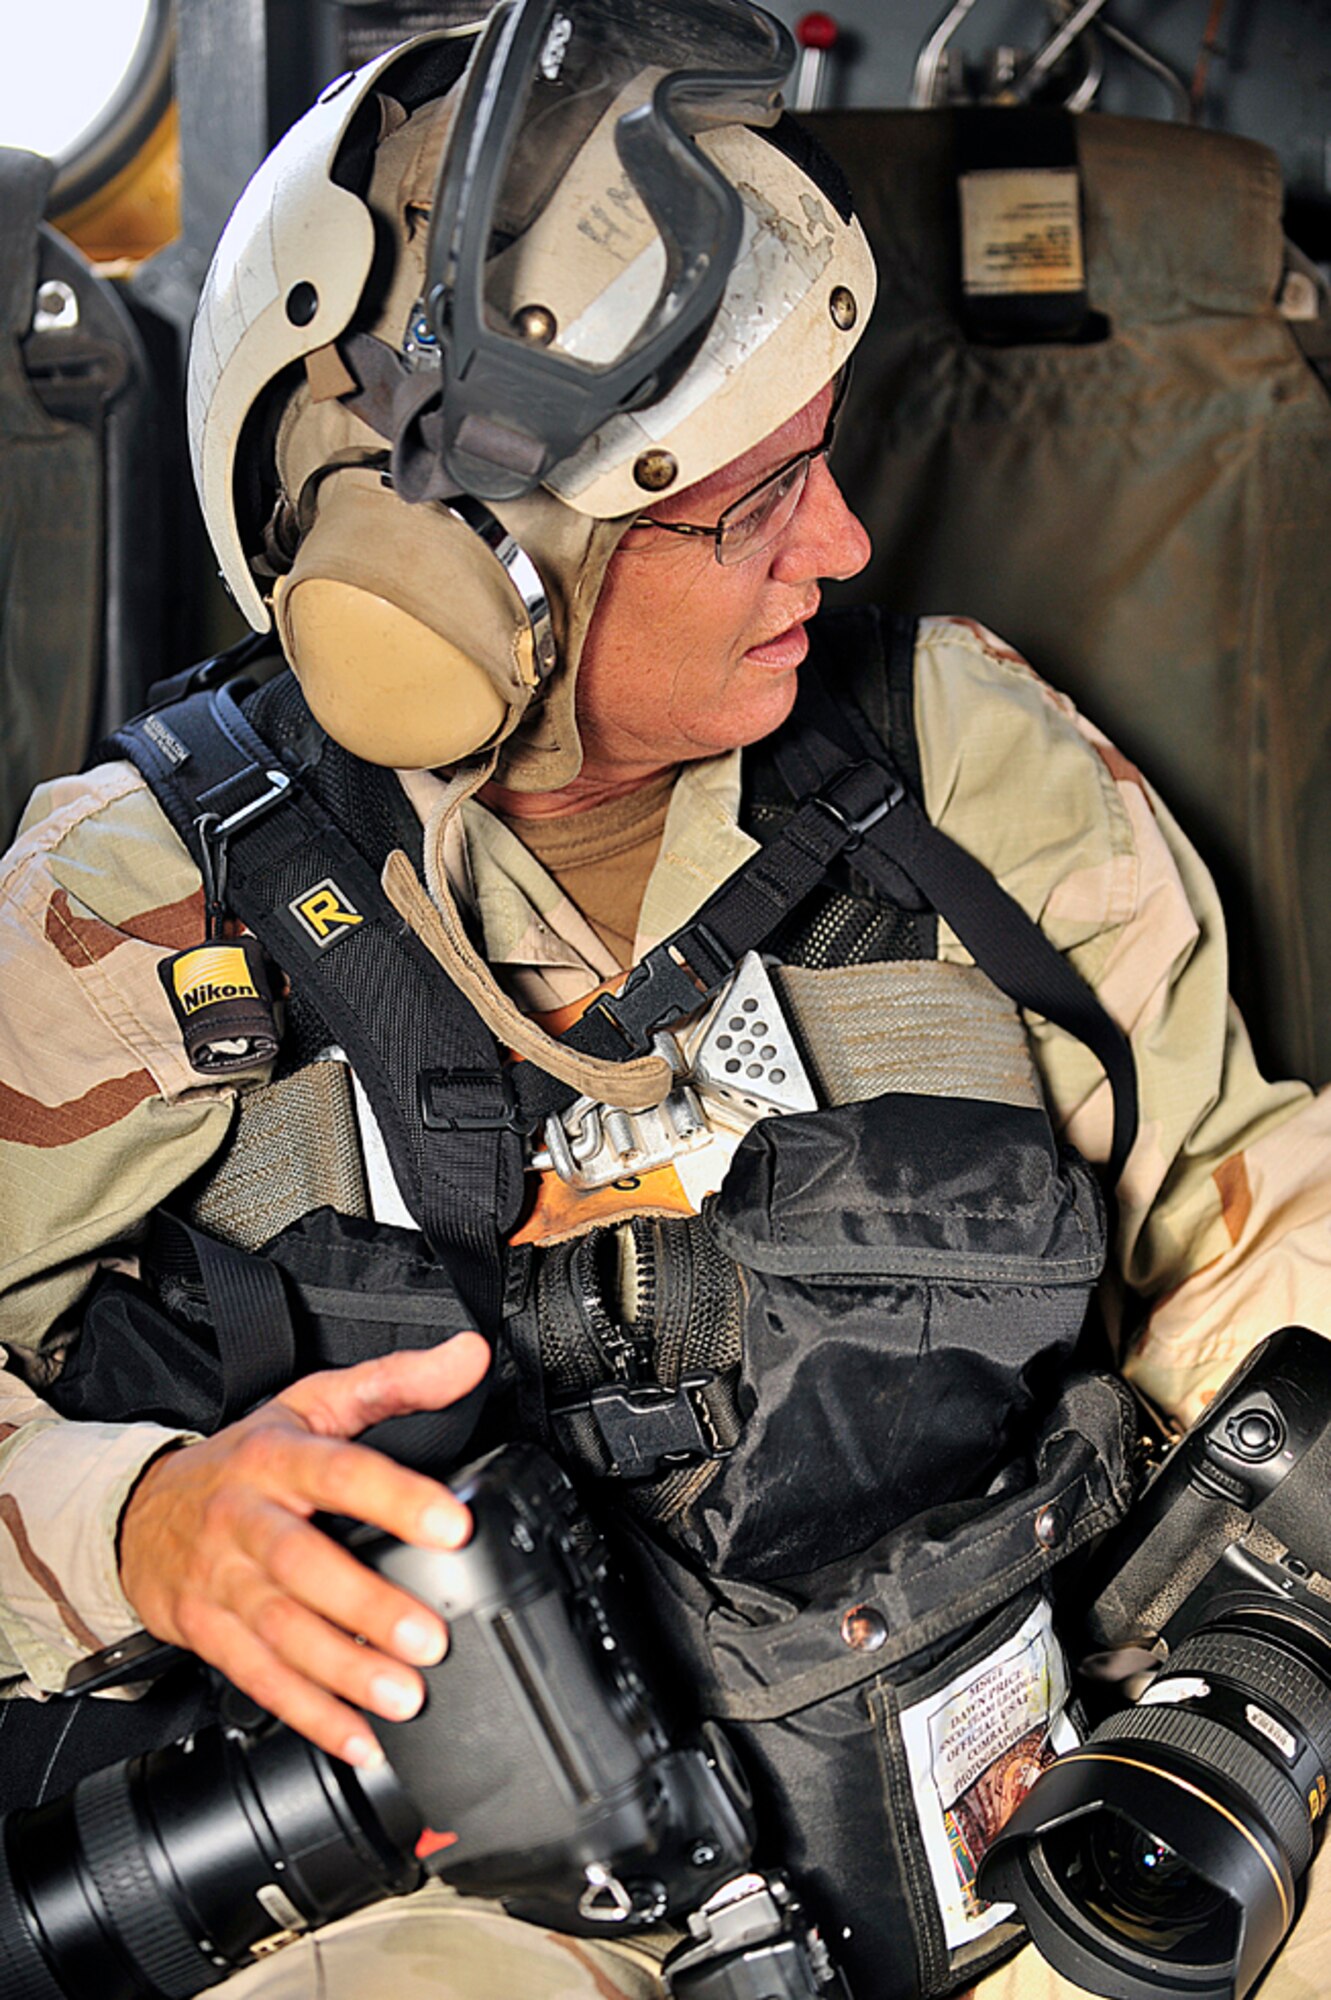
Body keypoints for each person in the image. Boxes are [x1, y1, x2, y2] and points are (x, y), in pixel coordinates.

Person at [1, 4, 1329, 1996]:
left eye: (823, 462)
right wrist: (134, 1524)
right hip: (507, 1906)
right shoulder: (135, 910)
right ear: (453, 594)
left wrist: (1236, 1634)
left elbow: (1252, 1210)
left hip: (1026, 1781)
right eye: (741, 507)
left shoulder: (956, 761)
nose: (849, 541)